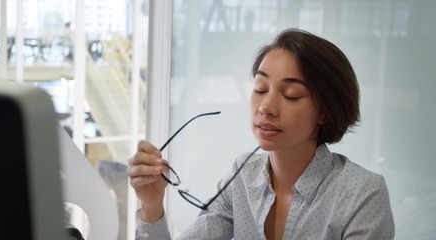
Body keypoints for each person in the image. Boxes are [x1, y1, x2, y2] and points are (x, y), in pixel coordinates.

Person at [127, 28, 395, 239]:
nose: (266, 107)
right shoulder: (243, 178)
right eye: (261, 88)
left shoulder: (362, 194)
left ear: (324, 111)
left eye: (290, 95)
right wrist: (152, 205)